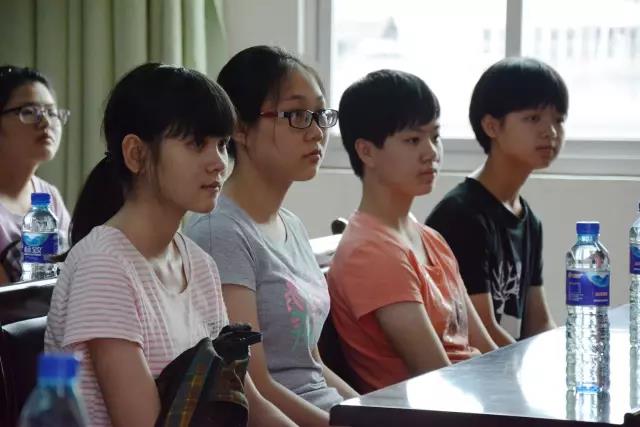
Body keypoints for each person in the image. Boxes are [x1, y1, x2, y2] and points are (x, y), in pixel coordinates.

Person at [45, 63, 295, 427]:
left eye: (221, 144)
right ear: (136, 154)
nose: (218, 163)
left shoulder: (199, 263)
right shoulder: (104, 265)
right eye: (196, 143)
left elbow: (251, 404)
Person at [185, 46, 357, 427]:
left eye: (320, 115)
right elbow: (254, 386)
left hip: (320, 410)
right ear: (240, 128)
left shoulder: (291, 225)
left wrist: (370, 410)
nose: (317, 132)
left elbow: (311, 365)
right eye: (297, 115)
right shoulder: (219, 232)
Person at [328, 69, 497, 392]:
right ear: (366, 151)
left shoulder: (430, 237)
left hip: (472, 395)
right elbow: (436, 377)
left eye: (435, 136)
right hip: (431, 408)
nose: (431, 152)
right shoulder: (372, 252)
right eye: (412, 140)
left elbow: (486, 348)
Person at [426, 57, 567, 346]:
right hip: (472, 366)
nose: (550, 131)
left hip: (506, 361)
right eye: (533, 118)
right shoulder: (462, 215)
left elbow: (538, 322)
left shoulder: (528, 220)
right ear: (492, 126)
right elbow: (481, 332)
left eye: (558, 119)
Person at [0, 65, 71, 284]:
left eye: (52, 112)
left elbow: (72, 270)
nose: (46, 122)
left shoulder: (49, 195)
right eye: (29, 112)